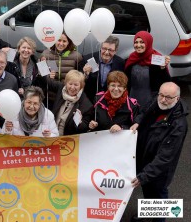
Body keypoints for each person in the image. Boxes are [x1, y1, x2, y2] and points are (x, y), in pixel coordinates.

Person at [131, 82, 188, 222]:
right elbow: (143, 112)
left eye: (168, 97)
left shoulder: (178, 124)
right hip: (144, 158)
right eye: (161, 95)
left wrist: (144, 175)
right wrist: (138, 121)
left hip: (159, 169)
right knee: (147, 191)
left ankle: (159, 220)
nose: (163, 100)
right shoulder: (156, 100)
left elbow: (165, 156)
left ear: (177, 98)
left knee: (158, 194)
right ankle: (148, 213)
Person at [37, 70, 93, 135]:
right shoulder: (61, 88)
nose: (72, 87)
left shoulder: (86, 105)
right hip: (52, 135)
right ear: (66, 83)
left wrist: (79, 122)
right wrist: (42, 67)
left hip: (68, 140)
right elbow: (47, 82)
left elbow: (85, 128)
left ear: (81, 86)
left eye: (76, 85)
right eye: (70, 84)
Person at [125, 30, 171, 109]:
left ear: (148, 43)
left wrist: (162, 68)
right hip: (132, 97)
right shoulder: (131, 58)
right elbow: (125, 78)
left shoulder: (157, 59)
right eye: (136, 42)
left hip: (151, 99)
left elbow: (166, 82)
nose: (138, 45)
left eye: (142, 42)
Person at [40, 32, 83, 108]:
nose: (61, 43)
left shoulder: (76, 56)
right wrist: (47, 75)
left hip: (67, 97)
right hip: (49, 96)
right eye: (59, 40)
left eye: (64, 41)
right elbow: (40, 76)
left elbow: (80, 77)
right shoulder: (45, 54)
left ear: (69, 42)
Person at [79, 36, 125, 102]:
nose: (106, 52)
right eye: (104, 48)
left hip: (110, 101)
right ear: (101, 47)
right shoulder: (88, 59)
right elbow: (78, 81)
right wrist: (85, 74)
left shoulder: (120, 63)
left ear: (115, 51)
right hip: (89, 100)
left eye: (110, 50)